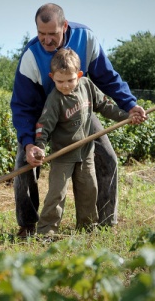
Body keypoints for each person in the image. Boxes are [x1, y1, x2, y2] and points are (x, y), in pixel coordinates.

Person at [11, 3, 147, 238]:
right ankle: (28, 224)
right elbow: (23, 106)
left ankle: (104, 221)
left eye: (52, 34)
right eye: (41, 34)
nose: (46, 40)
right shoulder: (31, 56)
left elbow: (108, 78)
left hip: (79, 109)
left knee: (108, 157)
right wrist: (30, 142)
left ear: (64, 26)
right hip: (47, 112)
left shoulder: (86, 38)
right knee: (25, 163)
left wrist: (130, 105)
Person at [32, 48, 133, 236]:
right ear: (52, 77)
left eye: (70, 80)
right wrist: (40, 146)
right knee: (57, 193)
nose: (65, 85)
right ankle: (47, 231)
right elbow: (43, 126)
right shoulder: (55, 99)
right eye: (59, 81)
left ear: (79, 75)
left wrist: (126, 116)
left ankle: (87, 227)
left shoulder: (86, 85)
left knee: (89, 190)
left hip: (86, 152)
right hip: (63, 155)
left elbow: (105, 105)